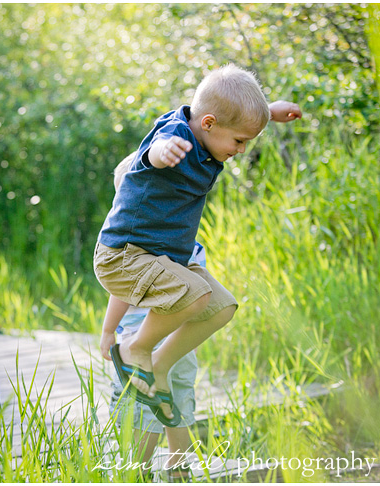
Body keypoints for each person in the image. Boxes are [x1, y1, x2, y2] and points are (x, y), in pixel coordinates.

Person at [94, 64, 302, 428]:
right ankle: (135, 350)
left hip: (161, 259)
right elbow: (152, 152)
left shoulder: (212, 127)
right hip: (125, 255)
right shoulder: (173, 135)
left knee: (221, 306)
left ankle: (159, 364)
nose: (241, 149)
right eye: (240, 142)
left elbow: (229, 116)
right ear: (207, 124)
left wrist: (268, 113)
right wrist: (162, 151)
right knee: (196, 294)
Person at [108, 154, 205, 481]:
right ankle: (179, 466)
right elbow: (200, 296)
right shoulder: (190, 244)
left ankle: (136, 470)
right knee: (178, 400)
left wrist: (108, 333)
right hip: (177, 342)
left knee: (141, 404)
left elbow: (120, 293)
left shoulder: (132, 247)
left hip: (141, 340)